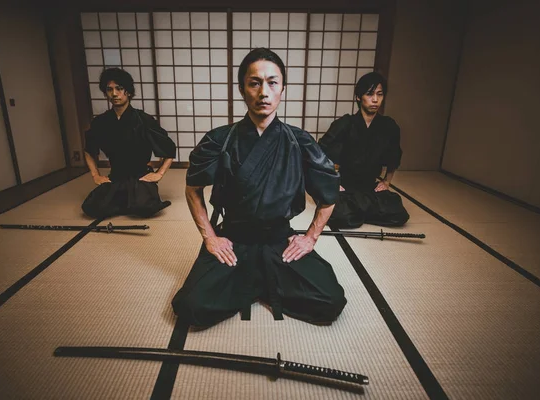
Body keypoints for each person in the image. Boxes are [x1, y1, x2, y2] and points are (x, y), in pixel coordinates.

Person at [172, 48, 347, 328]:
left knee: (330, 300)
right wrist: (210, 238)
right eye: (254, 83)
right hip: (234, 240)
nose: (263, 92)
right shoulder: (219, 140)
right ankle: (264, 281)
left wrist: (310, 238)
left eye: (272, 82)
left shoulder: (300, 142)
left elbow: (328, 195)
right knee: (191, 307)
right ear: (242, 89)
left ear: (282, 89)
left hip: (280, 241)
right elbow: (192, 189)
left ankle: (256, 280)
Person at [318, 72, 409, 228]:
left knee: (398, 212)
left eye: (379, 94)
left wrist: (386, 182)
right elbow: (322, 152)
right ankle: (364, 211)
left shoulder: (388, 126)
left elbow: (394, 155)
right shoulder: (345, 124)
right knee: (340, 214)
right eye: (370, 94)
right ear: (359, 97)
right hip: (344, 186)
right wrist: (332, 182)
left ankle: (360, 211)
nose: (375, 99)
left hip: (369, 186)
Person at [82, 68, 176, 218]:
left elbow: (169, 149)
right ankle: (123, 199)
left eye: (119, 89)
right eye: (109, 89)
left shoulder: (144, 120)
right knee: (92, 208)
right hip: (116, 176)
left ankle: (131, 199)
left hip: (140, 176)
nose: (114, 94)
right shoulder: (100, 122)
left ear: (128, 92)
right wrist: (96, 175)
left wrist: (159, 174)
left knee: (143, 208)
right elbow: (89, 150)